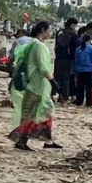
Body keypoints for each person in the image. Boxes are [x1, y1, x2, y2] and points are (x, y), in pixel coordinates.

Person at [9, 21, 57, 149]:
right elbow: (42, 66)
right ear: (43, 30)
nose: (51, 33)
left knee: (46, 110)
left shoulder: (34, 44)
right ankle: (21, 141)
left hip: (38, 85)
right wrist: (52, 80)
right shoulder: (39, 46)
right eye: (50, 30)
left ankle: (48, 140)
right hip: (37, 85)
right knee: (31, 113)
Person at [71, 28, 92, 105]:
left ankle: (79, 101)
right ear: (89, 40)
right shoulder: (91, 48)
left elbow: (76, 61)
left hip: (80, 71)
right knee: (89, 87)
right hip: (90, 70)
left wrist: (75, 70)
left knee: (80, 87)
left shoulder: (78, 49)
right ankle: (89, 102)